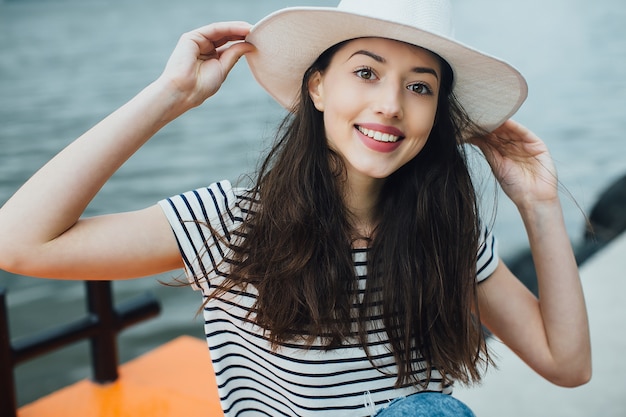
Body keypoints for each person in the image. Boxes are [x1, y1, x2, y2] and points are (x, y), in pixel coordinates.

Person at [0, 0, 591, 416]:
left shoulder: (445, 235)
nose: (389, 105)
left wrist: (537, 203)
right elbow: (20, 243)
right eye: (365, 72)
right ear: (317, 87)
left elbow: (566, 364)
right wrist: (170, 96)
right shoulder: (233, 226)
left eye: (419, 87)